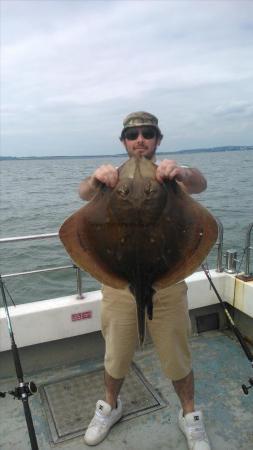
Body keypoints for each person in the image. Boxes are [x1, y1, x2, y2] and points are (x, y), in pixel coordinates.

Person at [79, 112, 211, 450]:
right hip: (120, 285)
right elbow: (83, 195)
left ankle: (190, 415)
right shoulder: (111, 178)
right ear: (123, 141)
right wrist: (95, 180)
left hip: (167, 284)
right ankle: (111, 405)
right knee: (116, 354)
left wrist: (181, 171)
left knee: (177, 357)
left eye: (148, 133)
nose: (141, 139)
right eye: (133, 134)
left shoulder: (170, 175)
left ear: (157, 139)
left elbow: (199, 183)